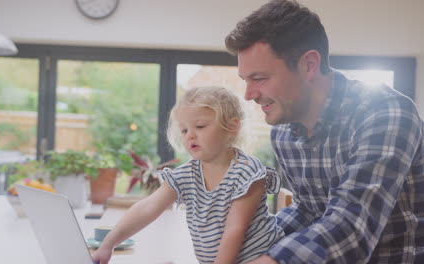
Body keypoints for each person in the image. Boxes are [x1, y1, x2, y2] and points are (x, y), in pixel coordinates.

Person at [224, 0, 424, 263]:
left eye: (259, 78)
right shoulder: (283, 134)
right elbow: (309, 210)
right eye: (245, 81)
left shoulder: (385, 113)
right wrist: (248, 239)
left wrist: (270, 259)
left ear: (309, 64)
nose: (249, 95)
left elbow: (351, 226)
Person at [92, 86, 284, 264]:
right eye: (184, 130)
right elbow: (148, 206)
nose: (190, 135)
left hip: (261, 258)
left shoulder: (246, 171)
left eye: (200, 126)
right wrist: (109, 243)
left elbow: (235, 229)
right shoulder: (186, 174)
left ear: (231, 127)